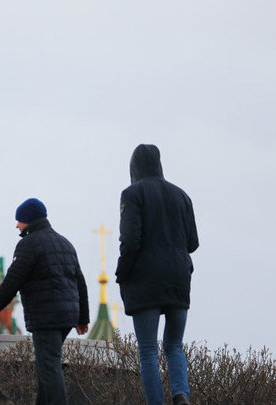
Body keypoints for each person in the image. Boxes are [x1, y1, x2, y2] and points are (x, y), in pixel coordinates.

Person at [116, 144, 198, 405]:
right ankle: (181, 395)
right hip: (179, 279)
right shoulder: (182, 196)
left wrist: (122, 274)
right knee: (174, 346)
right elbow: (192, 243)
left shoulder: (132, 194)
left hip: (145, 280)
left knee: (149, 350)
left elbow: (130, 241)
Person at [0, 198, 89, 405]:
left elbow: (13, 280)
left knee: (49, 366)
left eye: (19, 220)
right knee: (46, 365)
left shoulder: (28, 244)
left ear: (29, 221)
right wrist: (82, 318)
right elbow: (80, 281)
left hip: (46, 316)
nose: (17, 225)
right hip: (67, 315)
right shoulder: (64, 242)